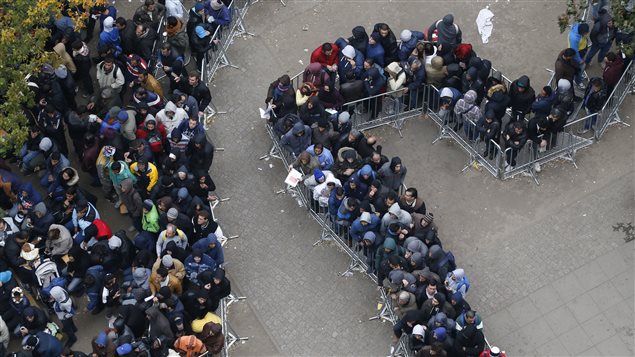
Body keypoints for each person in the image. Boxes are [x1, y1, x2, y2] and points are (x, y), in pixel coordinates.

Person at [568, 22, 590, 87]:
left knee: (580, 68)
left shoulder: (579, 27)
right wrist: (579, 60)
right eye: (586, 33)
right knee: (579, 68)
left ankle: (579, 75)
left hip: (581, 50)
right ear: (582, 32)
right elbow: (574, 51)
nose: (587, 34)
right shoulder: (574, 38)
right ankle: (577, 81)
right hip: (577, 54)